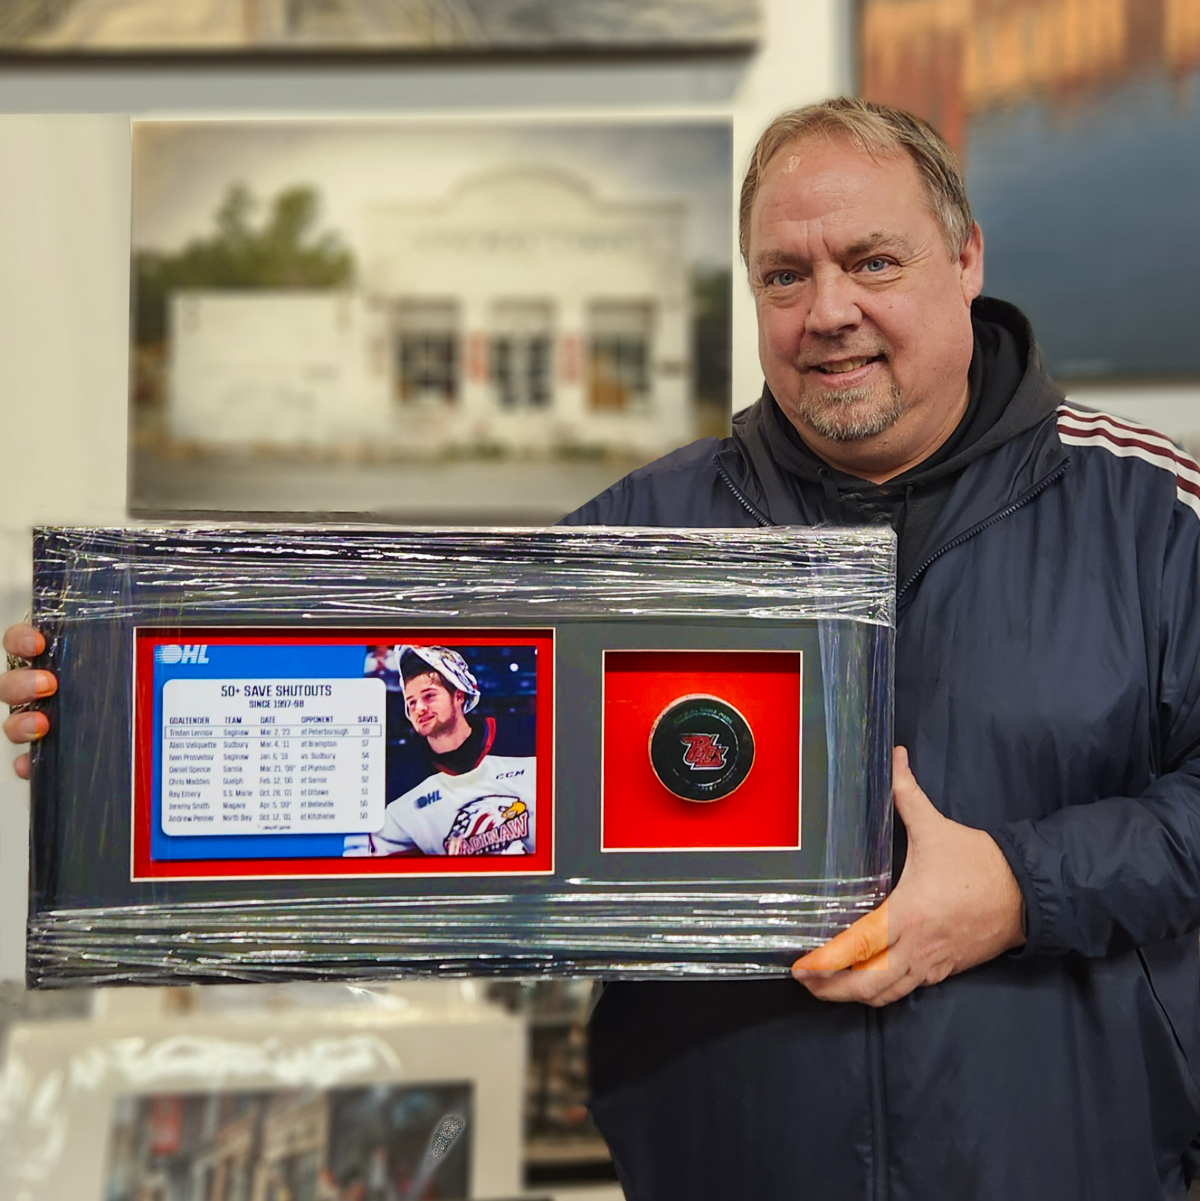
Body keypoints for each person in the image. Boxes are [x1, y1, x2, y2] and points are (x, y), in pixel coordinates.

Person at [4, 96, 1200, 1197]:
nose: (826, 310)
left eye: (870, 261)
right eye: (784, 275)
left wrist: (1018, 889)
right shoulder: (637, 536)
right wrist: (107, 722)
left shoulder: (1155, 512)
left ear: (966, 256)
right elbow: (428, 738)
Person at [344, 644, 535, 857]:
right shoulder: (400, 786)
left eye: (429, 696)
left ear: (459, 695)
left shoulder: (528, 742)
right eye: (411, 702)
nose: (420, 708)